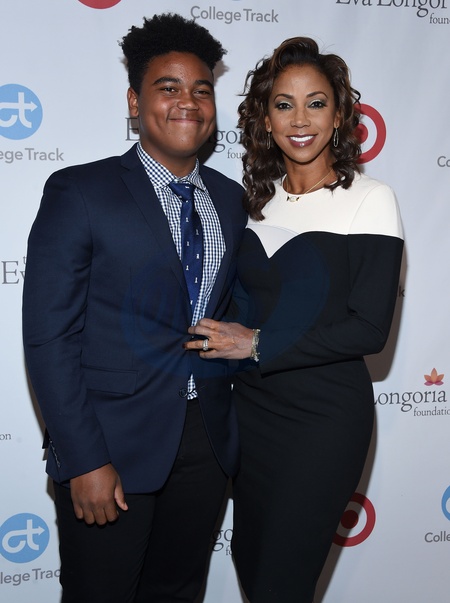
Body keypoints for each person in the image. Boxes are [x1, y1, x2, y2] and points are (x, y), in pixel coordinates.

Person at [22, 13, 246, 603]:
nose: (187, 102)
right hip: (109, 446)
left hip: (206, 444)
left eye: (201, 90)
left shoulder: (231, 200)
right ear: (134, 100)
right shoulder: (80, 191)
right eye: (168, 87)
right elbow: (48, 338)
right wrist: (83, 460)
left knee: (178, 593)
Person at [185, 37, 404, 602]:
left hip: (323, 419)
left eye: (316, 103)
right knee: (254, 566)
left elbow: (368, 328)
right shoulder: (253, 205)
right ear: (265, 119)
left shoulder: (370, 199)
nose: (300, 119)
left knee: (282, 579)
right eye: (284, 104)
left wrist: (257, 343)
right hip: (251, 414)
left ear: (339, 115)